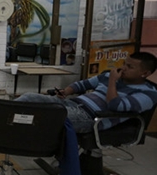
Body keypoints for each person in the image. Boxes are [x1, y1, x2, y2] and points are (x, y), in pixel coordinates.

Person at [16, 52, 157, 133]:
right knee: (29, 97)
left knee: (40, 116)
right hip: (72, 104)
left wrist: (113, 82)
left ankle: (8, 134)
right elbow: (82, 84)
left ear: (145, 73)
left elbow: (114, 105)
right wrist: (66, 91)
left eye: (130, 67)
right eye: (124, 63)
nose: (123, 68)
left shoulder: (148, 94)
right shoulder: (108, 76)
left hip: (91, 117)